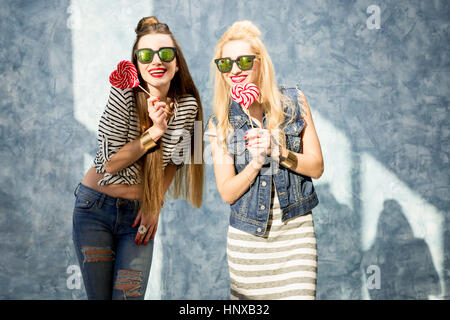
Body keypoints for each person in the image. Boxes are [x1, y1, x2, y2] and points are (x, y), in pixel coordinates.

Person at [72, 16, 204, 300]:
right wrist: (155, 132)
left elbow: (179, 159)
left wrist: (154, 204)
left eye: (166, 53)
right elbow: (109, 163)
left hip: (138, 214)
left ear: (177, 63)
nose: (157, 61)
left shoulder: (188, 105)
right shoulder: (123, 93)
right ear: (137, 66)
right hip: (95, 208)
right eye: (146, 55)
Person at [207, 20, 324, 300]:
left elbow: (317, 167)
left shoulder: (295, 102)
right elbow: (227, 191)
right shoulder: (219, 124)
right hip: (248, 241)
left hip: (295, 236)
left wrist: (278, 151)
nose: (235, 70)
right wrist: (256, 162)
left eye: (244, 61)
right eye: (226, 64)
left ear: (261, 64)